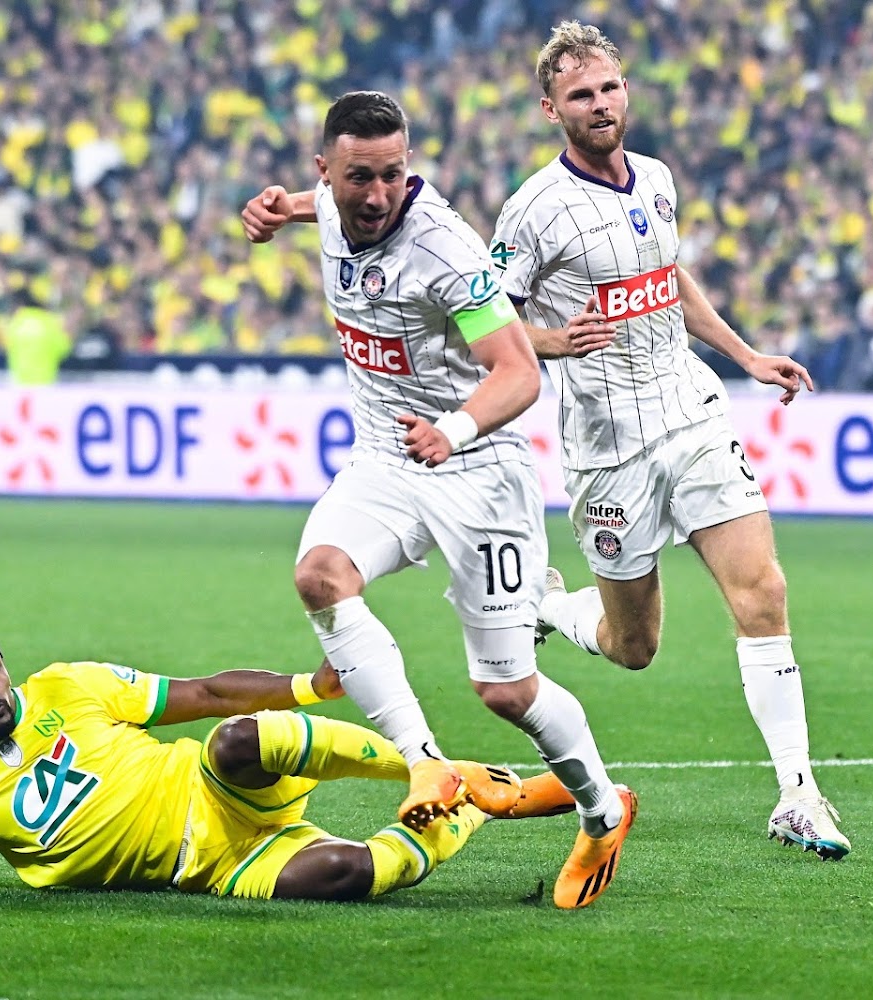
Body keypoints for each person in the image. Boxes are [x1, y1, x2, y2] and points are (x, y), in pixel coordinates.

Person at [240, 91, 635, 908]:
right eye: (359, 178)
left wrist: (452, 430)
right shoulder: (326, 203)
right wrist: (282, 211)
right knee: (319, 576)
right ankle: (424, 758)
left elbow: (520, 371)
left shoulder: (448, 251)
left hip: (477, 471)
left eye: (394, 174)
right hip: (385, 461)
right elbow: (317, 205)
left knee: (505, 691)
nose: (379, 194)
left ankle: (602, 809)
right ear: (327, 171)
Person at [488, 22, 848, 858]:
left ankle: (797, 792)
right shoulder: (533, 209)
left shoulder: (655, 179)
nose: (600, 104)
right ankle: (546, 603)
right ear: (552, 109)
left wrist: (746, 353)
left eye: (609, 88)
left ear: (626, 90)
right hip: (609, 446)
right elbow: (487, 315)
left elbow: (668, 275)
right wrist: (550, 341)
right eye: (580, 95)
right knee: (633, 646)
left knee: (762, 594)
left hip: (692, 413)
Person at [0, 623, 579, 901]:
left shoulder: (69, 686)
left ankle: (426, 768)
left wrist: (310, 685)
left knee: (238, 738)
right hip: (211, 865)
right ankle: (461, 804)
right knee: (347, 873)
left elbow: (199, 695)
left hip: (216, 782)